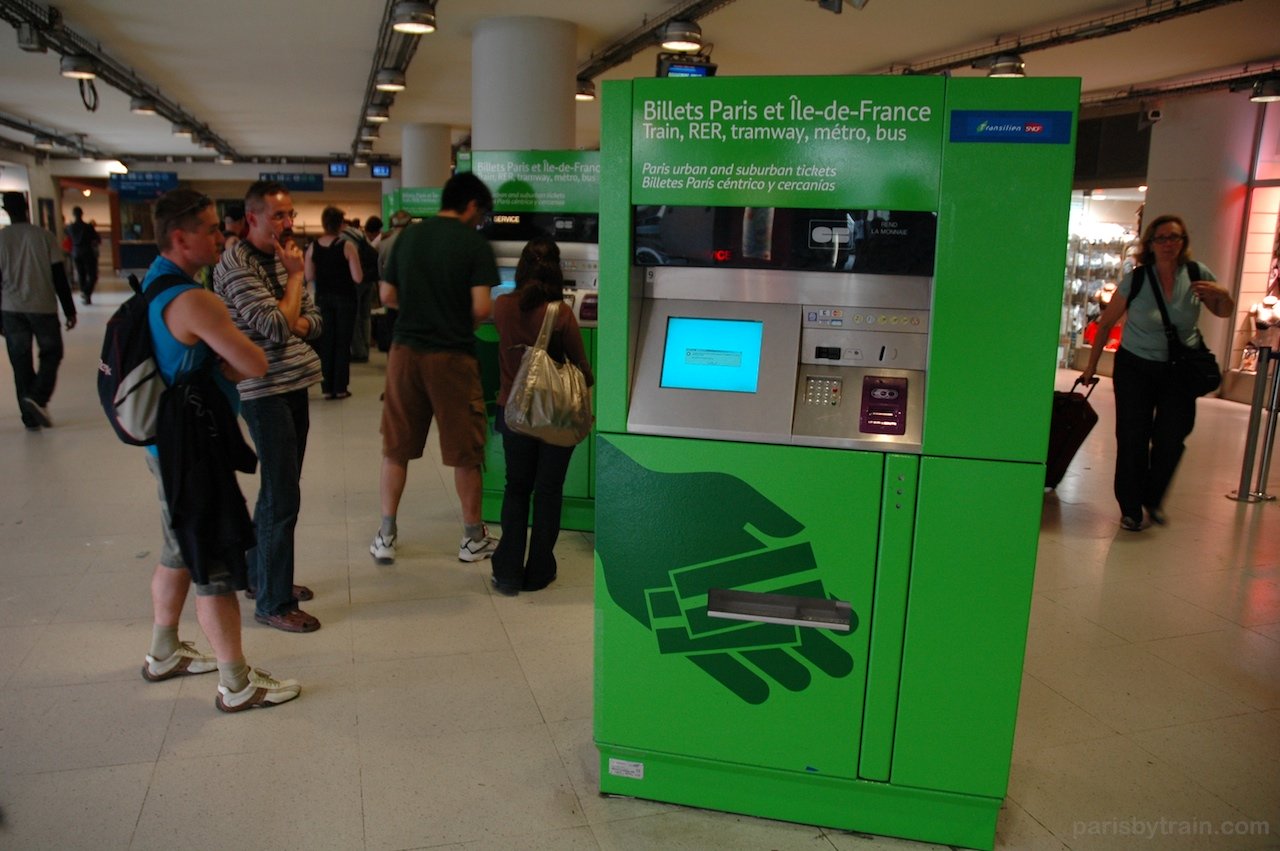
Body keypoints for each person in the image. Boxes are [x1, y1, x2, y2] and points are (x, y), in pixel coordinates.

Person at [139, 188, 299, 711]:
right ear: (179, 238)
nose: (221, 234)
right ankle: (237, 683)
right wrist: (226, 351)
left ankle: (164, 651)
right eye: (210, 229)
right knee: (213, 565)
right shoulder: (196, 301)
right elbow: (255, 361)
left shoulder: (153, 287)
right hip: (194, 450)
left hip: (168, 445)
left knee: (178, 547)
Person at [371, 173, 500, 565]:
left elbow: (387, 295)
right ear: (472, 206)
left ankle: (386, 535)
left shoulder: (406, 237)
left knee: (396, 449)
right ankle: (471, 538)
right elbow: (481, 308)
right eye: (482, 214)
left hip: (404, 353)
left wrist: (419, 310)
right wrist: (450, 316)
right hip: (451, 357)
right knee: (465, 452)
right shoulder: (474, 244)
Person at [213, 180, 324, 632]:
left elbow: (313, 322)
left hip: (294, 383)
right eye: (278, 216)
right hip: (262, 391)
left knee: (280, 488)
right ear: (252, 217)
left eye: (290, 214)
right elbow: (277, 327)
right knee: (283, 497)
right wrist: (295, 279)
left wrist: (291, 309)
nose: (288, 223)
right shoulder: (237, 265)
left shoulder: (282, 255)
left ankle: (261, 578)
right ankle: (274, 603)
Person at [1081, 214, 1235, 532]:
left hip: (1179, 368)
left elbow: (1223, 311)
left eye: (1174, 237)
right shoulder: (1137, 279)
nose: (1168, 244)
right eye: (1161, 238)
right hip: (1135, 366)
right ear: (1150, 244)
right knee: (1133, 436)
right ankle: (1131, 507)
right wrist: (1092, 365)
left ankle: (1153, 497)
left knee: (1171, 438)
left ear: (1183, 242)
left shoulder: (1195, 274)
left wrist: (1221, 293)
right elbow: (1107, 322)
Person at [489, 237, 594, 595]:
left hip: (513, 412)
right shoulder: (560, 312)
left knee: (516, 489)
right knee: (548, 491)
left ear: (521, 268)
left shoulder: (501, 306)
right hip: (554, 418)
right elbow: (582, 367)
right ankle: (538, 571)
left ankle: (507, 571)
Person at [1, 191, 77, 430]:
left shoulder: (1, 239)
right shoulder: (44, 236)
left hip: (11, 309)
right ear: (26, 207)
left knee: (20, 361)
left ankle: (29, 416)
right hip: (42, 306)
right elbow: (58, 276)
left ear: (6, 210)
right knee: (52, 353)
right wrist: (69, 309)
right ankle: (38, 397)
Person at [306, 205, 363, 399]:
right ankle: (340, 387)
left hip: (323, 298)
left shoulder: (313, 247)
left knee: (327, 341)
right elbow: (358, 277)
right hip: (345, 298)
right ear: (340, 225)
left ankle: (327, 387)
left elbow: (309, 274)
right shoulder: (346, 246)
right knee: (342, 342)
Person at [344, 215, 381, 363]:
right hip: (370, 280)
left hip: (357, 280)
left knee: (355, 316)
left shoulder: (345, 237)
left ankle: (359, 352)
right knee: (366, 315)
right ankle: (366, 348)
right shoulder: (359, 234)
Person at [64, 206, 101, 305]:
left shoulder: (70, 227)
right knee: (93, 274)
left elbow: (67, 236)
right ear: (82, 214)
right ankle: (86, 292)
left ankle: (85, 293)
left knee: (81, 274)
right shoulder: (88, 227)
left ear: (73, 214)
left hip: (75, 252)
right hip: (87, 252)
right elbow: (97, 239)